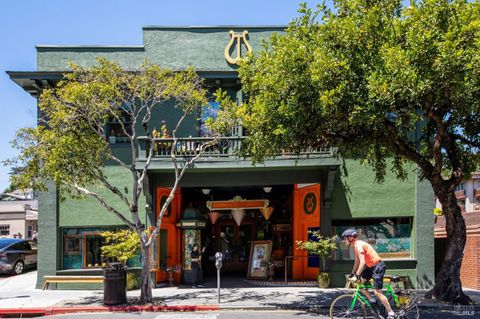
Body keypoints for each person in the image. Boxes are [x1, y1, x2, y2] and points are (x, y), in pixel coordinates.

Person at [342, 228, 396, 319]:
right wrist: (352, 274)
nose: (344, 241)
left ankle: (391, 313)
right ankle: (373, 300)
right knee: (358, 284)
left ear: (351, 238)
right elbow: (357, 261)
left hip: (378, 266)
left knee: (377, 292)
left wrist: (358, 275)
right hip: (370, 267)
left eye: (345, 238)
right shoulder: (356, 245)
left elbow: (362, 262)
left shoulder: (358, 245)